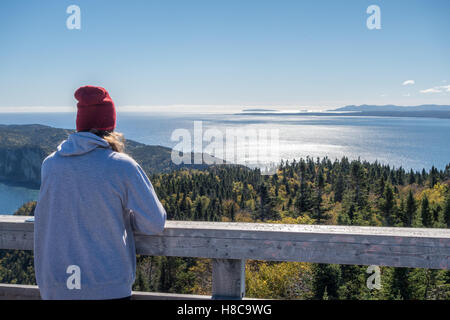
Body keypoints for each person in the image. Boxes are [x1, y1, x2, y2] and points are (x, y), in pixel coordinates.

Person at [33, 85, 167, 300]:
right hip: (106, 286)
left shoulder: (50, 164)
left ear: (79, 124)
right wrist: (120, 217)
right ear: (110, 125)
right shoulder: (122, 166)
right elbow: (154, 223)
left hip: (56, 287)